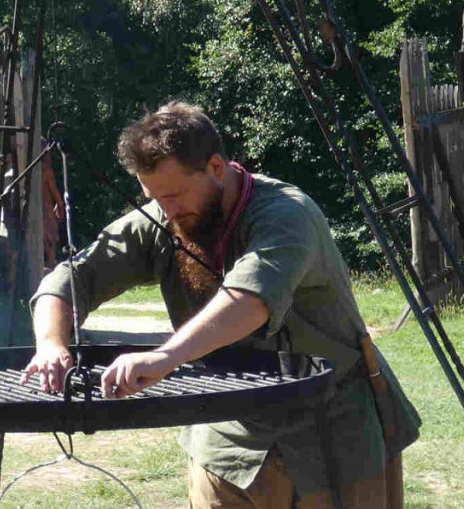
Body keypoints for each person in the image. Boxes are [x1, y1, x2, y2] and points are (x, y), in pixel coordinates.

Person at [21, 101, 420, 509]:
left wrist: (164, 357)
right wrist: (52, 342)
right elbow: (73, 276)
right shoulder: (165, 214)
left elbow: (249, 301)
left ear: (215, 167)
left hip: (329, 430)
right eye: (155, 197)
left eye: (174, 194)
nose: (167, 211)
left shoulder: (286, 214)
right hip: (225, 435)